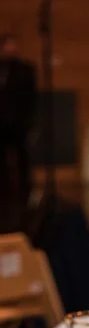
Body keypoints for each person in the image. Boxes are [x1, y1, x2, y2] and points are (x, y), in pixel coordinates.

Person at [0, 33, 36, 216]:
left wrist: (29, 121)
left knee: (23, 158)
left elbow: (30, 98)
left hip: (19, 123)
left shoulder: (25, 70)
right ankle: (5, 192)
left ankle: (25, 192)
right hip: (1, 123)